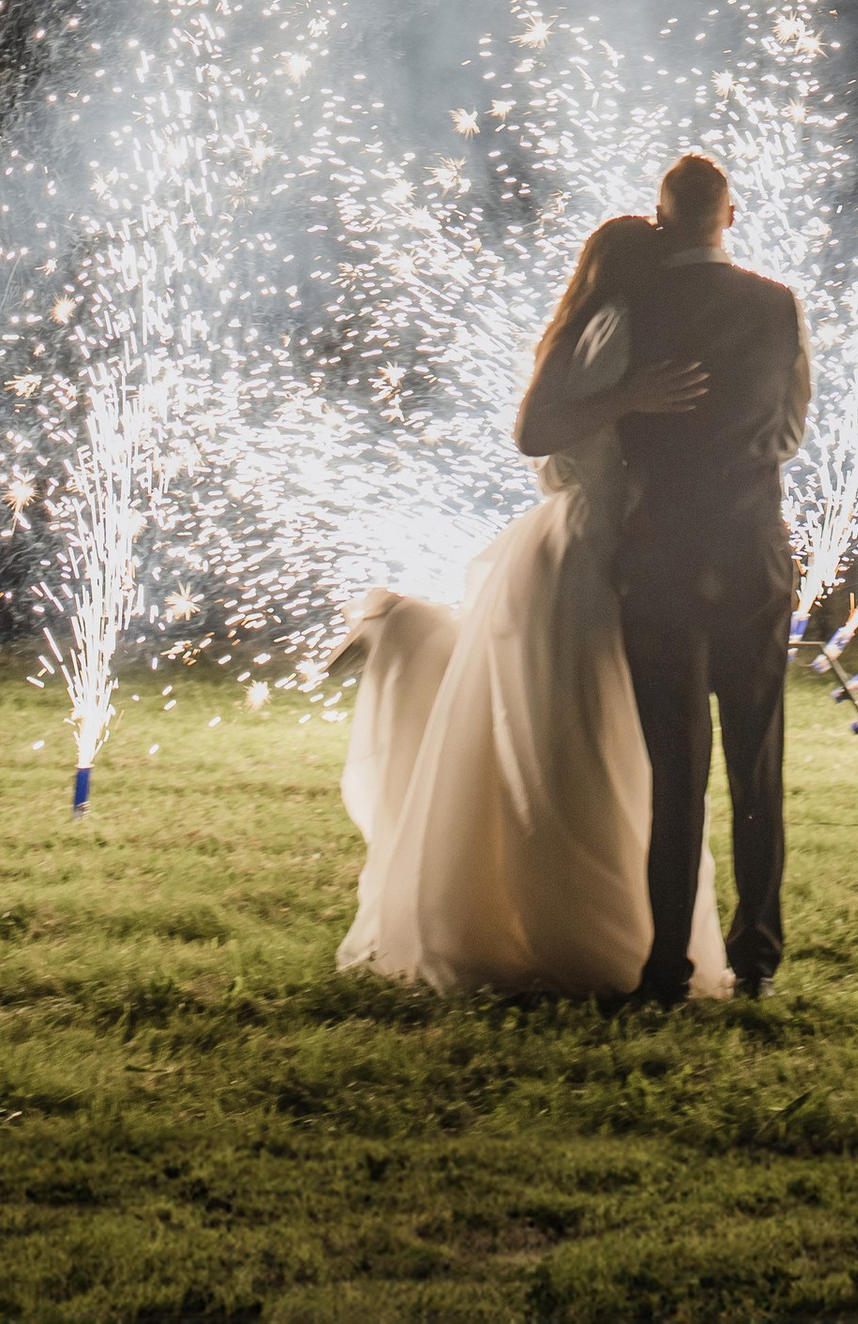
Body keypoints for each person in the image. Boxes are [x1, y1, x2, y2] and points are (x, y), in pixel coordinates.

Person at [333, 213, 724, 997]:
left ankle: (621, 924)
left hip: (630, 543)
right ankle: (580, 929)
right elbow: (534, 432)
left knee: (604, 734)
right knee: (569, 732)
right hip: (580, 549)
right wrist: (630, 398)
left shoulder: (637, 325)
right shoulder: (600, 324)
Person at [535, 153, 812, 1006]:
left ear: (661, 220)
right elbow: (790, 433)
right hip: (752, 551)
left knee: (676, 767)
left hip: (660, 555)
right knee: (757, 761)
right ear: (733, 215)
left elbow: (544, 427)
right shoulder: (779, 305)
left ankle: (666, 965)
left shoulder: (626, 308)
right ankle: (757, 955)